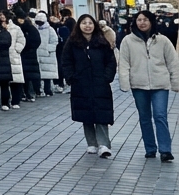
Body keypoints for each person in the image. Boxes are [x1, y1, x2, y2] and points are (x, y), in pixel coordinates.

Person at [118, 10, 179, 162]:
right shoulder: (128, 41)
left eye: (145, 19)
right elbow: (124, 63)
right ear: (135, 22)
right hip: (138, 85)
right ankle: (150, 148)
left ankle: (165, 150)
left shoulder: (162, 40)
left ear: (151, 21)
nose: (142, 22)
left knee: (160, 116)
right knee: (145, 117)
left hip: (160, 84)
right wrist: (124, 82)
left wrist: (175, 81)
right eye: (139, 20)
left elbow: (173, 62)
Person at [60, 13, 117, 158]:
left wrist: (107, 77)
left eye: (90, 23)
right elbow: (66, 61)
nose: (87, 25)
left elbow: (111, 61)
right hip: (81, 83)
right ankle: (91, 143)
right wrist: (72, 78)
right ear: (79, 25)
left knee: (101, 114)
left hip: (100, 83)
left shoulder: (102, 42)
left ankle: (104, 144)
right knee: (86, 113)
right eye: (84, 23)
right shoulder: (72, 43)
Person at [36, 11, 59, 96]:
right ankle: (40, 90)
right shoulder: (36, 29)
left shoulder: (50, 29)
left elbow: (55, 41)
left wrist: (48, 49)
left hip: (48, 55)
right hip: (38, 53)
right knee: (40, 73)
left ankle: (47, 89)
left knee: (47, 74)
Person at [20, 13, 41, 102]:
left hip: (30, 55)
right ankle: (26, 93)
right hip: (23, 54)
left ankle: (32, 93)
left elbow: (37, 41)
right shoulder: (20, 29)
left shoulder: (31, 29)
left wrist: (29, 48)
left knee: (30, 76)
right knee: (25, 75)